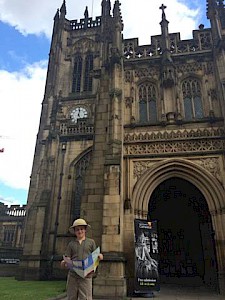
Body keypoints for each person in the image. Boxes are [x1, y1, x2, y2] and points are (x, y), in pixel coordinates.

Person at [60, 218, 103, 300]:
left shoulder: (91, 242)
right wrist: (64, 262)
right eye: (77, 230)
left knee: (86, 297)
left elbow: (95, 254)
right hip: (73, 274)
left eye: (82, 229)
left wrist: (100, 256)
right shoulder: (71, 244)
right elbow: (68, 257)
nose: (80, 231)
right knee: (72, 296)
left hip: (87, 274)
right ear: (74, 231)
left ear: (85, 230)